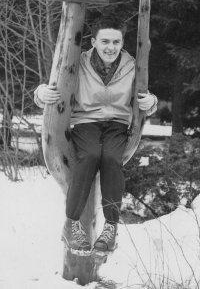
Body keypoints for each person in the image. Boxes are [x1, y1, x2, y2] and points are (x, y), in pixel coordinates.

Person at [34, 17, 157, 254]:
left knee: (111, 158)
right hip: (85, 121)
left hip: (118, 124)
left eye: (116, 41)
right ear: (94, 42)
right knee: (89, 155)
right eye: (105, 41)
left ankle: (110, 228)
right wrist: (41, 93)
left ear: (122, 42)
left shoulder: (132, 64)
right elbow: (52, 85)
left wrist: (152, 102)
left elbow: (145, 97)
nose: (111, 47)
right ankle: (71, 225)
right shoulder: (78, 62)